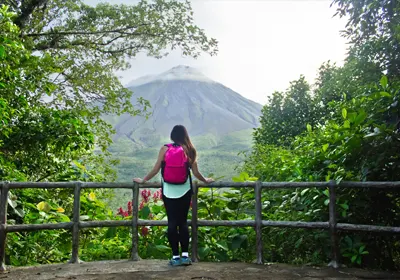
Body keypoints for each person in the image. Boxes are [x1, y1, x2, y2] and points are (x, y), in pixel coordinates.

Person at [133, 125, 214, 266]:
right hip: (184, 190)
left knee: (172, 223)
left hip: (168, 190)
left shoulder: (165, 148)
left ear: (172, 135)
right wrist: (205, 180)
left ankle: (175, 257)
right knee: (183, 222)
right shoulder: (190, 149)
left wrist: (144, 180)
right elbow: (195, 172)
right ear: (185, 135)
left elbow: (156, 168)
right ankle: (185, 256)